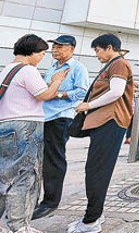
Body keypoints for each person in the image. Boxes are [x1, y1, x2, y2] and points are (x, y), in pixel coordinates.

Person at [0, 34, 68, 233]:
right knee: (25, 177)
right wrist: (56, 81)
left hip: (6, 126)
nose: (43, 57)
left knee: (4, 176)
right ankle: (19, 226)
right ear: (33, 52)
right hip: (25, 128)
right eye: (42, 53)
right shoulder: (28, 70)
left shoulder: (7, 69)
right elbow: (44, 95)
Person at [67, 33, 134, 233]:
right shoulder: (112, 65)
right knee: (97, 170)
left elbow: (116, 91)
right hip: (105, 121)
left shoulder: (119, 64)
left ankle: (90, 221)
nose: (97, 55)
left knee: (97, 171)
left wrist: (89, 104)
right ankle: (95, 213)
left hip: (111, 121)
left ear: (109, 47)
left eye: (98, 50)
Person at [32, 35, 89, 221]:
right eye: (54, 47)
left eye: (60, 47)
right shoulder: (52, 68)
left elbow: (81, 91)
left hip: (61, 117)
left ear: (71, 48)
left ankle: (50, 201)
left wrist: (58, 93)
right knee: (40, 159)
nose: (55, 50)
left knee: (54, 159)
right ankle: (36, 198)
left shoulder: (77, 67)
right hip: (44, 116)